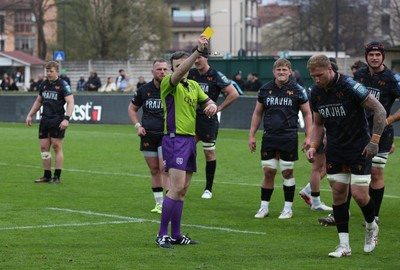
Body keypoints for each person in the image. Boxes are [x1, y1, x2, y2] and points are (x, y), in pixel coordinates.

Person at [306, 54, 386, 257]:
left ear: (330, 70)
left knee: (359, 195)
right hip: (335, 149)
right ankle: (344, 246)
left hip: (359, 148)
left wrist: (374, 141)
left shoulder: (350, 86)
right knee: (338, 193)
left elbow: (380, 110)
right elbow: (317, 124)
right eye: (313, 76)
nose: (316, 79)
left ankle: (371, 226)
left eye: (320, 75)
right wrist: (313, 145)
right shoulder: (315, 93)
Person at [155, 34, 218, 249]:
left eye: (182, 65)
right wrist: (198, 52)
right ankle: (162, 234)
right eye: (176, 66)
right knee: (176, 187)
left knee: (183, 190)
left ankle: (177, 234)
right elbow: (181, 72)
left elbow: (209, 102)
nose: (180, 68)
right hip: (175, 140)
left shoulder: (193, 85)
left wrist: (212, 106)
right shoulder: (169, 83)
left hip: (190, 140)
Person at [249, 58, 312, 219]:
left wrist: (308, 136)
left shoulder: (298, 90)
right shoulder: (265, 89)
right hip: (269, 136)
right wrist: (252, 135)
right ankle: (264, 207)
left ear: (290, 72)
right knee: (269, 172)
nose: (281, 72)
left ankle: (288, 209)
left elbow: (307, 113)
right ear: (273, 72)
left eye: (284, 70)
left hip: (288, 136)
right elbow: (257, 113)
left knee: (287, 172)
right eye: (279, 70)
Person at [353, 42, 400, 225]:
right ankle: (340, 213)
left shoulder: (392, 79)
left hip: (382, 134)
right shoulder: (359, 76)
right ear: (366, 57)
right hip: (358, 131)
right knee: (352, 170)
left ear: (383, 57)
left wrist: (389, 121)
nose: (374, 58)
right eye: (371, 55)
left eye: (377, 55)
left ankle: (375, 216)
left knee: (376, 172)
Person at [188, 46, 240, 199]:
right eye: (194, 57)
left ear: (206, 58)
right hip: (191, 118)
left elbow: (234, 93)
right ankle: (181, 184)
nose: (196, 60)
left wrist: (219, 108)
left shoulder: (215, 75)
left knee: (209, 153)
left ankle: (208, 189)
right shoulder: (190, 74)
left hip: (208, 120)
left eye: (199, 57)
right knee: (185, 149)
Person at [128, 59, 170, 214]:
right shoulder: (144, 90)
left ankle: (169, 204)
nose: (162, 72)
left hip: (165, 135)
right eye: (159, 69)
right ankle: (159, 203)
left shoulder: (172, 89)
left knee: (164, 169)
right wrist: (137, 126)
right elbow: (132, 109)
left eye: (165, 69)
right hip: (148, 136)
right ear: (152, 72)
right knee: (154, 170)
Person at [25, 61, 74, 184]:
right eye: (47, 71)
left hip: (57, 119)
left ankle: (57, 176)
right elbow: (38, 101)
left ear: (57, 71)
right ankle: (47, 175)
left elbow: (71, 102)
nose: (49, 73)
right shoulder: (44, 84)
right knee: (44, 148)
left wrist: (66, 119)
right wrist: (30, 115)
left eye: (51, 71)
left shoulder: (63, 85)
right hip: (45, 120)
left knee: (57, 147)